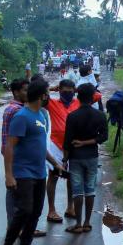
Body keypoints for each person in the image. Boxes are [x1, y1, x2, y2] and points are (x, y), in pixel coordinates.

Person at [0, 78, 61, 245]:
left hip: (39, 172)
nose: (48, 97)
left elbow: (40, 146)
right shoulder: (22, 116)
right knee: (24, 210)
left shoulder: (41, 115)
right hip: (23, 172)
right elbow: (10, 146)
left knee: (35, 212)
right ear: (42, 95)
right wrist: (9, 175)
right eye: (47, 94)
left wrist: (55, 164)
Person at [0, 79, 48, 239]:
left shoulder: (36, 113)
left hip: (30, 164)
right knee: (19, 202)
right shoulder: (17, 112)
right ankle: (12, 231)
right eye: (25, 90)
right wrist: (8, 173)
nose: (28, 94)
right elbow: (10, 144)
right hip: (18, 161)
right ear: (16, 92)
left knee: (29, 205)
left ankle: (22, 233)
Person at [63, 84, 108, 234]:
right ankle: (87, 222)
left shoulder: (72, 116)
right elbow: (104, 137)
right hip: (92, 156)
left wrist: (64, 160)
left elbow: (67, 140)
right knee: (90, 189)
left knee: (77, 191)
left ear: (78, 97)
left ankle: (78, 224)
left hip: (75, 157)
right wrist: (88, 142)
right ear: (93, 97)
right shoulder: (100, 115)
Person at [44, 79, 76, 222]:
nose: (67, 93)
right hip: (56, 145)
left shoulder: (78, 102)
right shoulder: (52, 103)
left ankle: (70, 207)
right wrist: (52, 88)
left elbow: (96, 96)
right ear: (59, 90)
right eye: (64, 91)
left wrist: (76, 91)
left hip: (74, 145)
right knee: (53, 176)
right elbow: (40, 94)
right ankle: (51, 210)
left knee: (72, 177)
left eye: (71, 91)